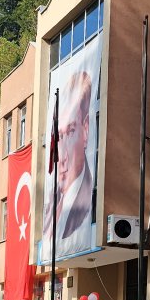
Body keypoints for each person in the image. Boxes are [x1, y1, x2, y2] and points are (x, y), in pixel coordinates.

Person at [43, 70, 96, 256]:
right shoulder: (52, 202)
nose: (61, 156)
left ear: (86, 129)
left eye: (70, 132)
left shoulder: (87, 202)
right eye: (59, 136)